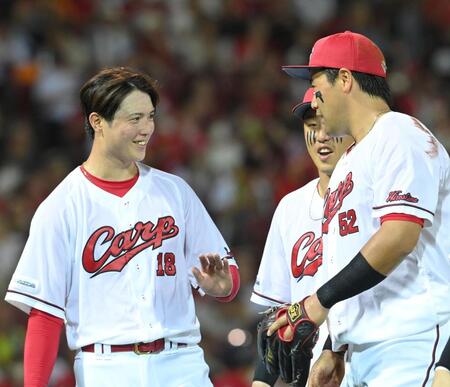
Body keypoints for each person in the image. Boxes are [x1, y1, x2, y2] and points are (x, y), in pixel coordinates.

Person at [5, 67, 240, 387]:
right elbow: (45, 316)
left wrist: (221, 287)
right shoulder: (62, 206)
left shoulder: (175, 192)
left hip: (181, 362)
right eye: (134, 118)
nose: (146, 128)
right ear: (97, 121)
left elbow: (227, 279)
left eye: (151, 116)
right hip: (106, 368)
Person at [268, 31, 450, 386]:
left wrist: (319, 302)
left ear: (346, 79)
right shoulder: (350, 161)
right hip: (362, 351)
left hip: (411, 341)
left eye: (317, 86)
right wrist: (334, 347)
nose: (314, 101)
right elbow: (350, 256)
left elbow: (398, 237)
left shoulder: (398, 132)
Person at [251, 88, 353, 387]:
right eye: (311, 126)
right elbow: (278, 317)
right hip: (311, 377)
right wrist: (260, 383)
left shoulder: (375, 199)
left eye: (327, 124)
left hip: (371, 359)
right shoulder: (290, 207)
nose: (321, 135)